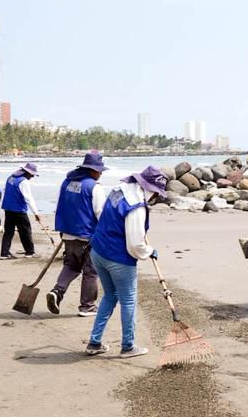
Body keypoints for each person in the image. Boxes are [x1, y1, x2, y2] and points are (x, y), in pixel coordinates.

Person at [85, 165, 169, 358]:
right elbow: (135, 245)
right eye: (156, 194)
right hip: (118, 258)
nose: (156, 198)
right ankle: (128, 346)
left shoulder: (119, 189)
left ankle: (94, 341)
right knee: (128, 300)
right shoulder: (137, 206)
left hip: (98, 251)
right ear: (150, 189)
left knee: (109, 295)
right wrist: (149, 251)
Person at [47, 151, 110, 317]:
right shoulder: (94, 187)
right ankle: (87, 306)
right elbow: (101, 213)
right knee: (91, 271)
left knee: (71, 266)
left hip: (68, 233)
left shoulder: (66, 183)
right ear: (92, 170)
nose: (101, 173)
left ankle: (57, 291)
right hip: (88, 235)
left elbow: (60, 204)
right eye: (99, 170)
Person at [0, 162, 43, 259]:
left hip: (8, 208)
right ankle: (30, 252)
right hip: (19, 210)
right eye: (32, 174)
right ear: (27, 172)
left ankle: (4, 253)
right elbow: (29, 198)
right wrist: (36, 213)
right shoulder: (24, 182)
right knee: (25, 230)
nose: (32, 176)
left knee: (8, 231)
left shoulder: (11, 177)